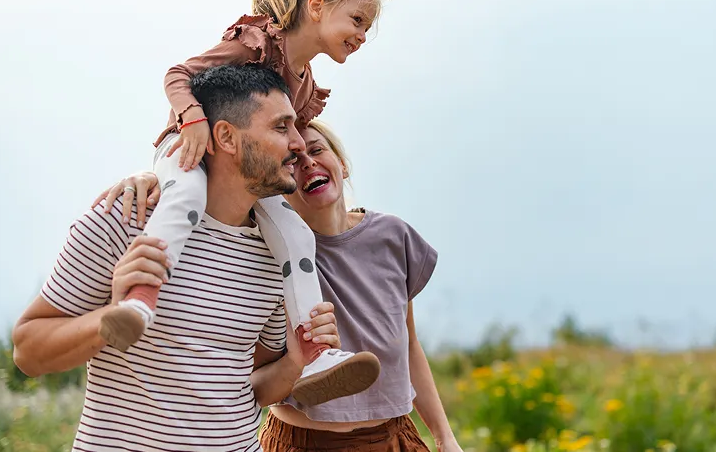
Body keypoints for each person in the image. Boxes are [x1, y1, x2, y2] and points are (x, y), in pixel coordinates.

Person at [96, 0, 383, 405]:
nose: (363, 35)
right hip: (190, 148)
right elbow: (178, 75)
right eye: (358, 19)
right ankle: (139, 299)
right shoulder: (257, 44)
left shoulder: (304, 85)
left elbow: (289, 143)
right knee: (185, 199)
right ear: (316, 6)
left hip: (242, 174)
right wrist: (192, 120)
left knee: (295, 234)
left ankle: (316, 351)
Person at [13, 64, 338, 452]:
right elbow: (28, 351)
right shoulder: (127, 220)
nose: (299, 143)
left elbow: (250, 385)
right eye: (281, 127)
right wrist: (110, 316)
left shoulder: (278, 251)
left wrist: (295, 362)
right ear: (226, 137)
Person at [100, 120, 462, 452]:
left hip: (394, 437)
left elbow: (410, 345)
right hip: (302, 441)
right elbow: (253, 374)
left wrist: (445, 437)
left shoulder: (393, 236)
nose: (307, 163)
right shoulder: (267, 254)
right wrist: (153, 177)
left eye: (317, 151)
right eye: (292, 160)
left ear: (343, 164)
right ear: (278, 186)